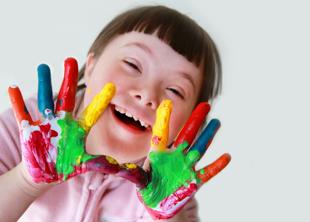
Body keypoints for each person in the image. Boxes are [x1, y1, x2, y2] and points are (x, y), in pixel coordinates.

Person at [0, 5, 229, 222]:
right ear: (90, 67)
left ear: (189, 126)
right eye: (132, 65)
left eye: (175, 90)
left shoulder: (171, 188)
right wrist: (25, 181)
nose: (147, 94)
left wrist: (164, 216)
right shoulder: (28, 131)